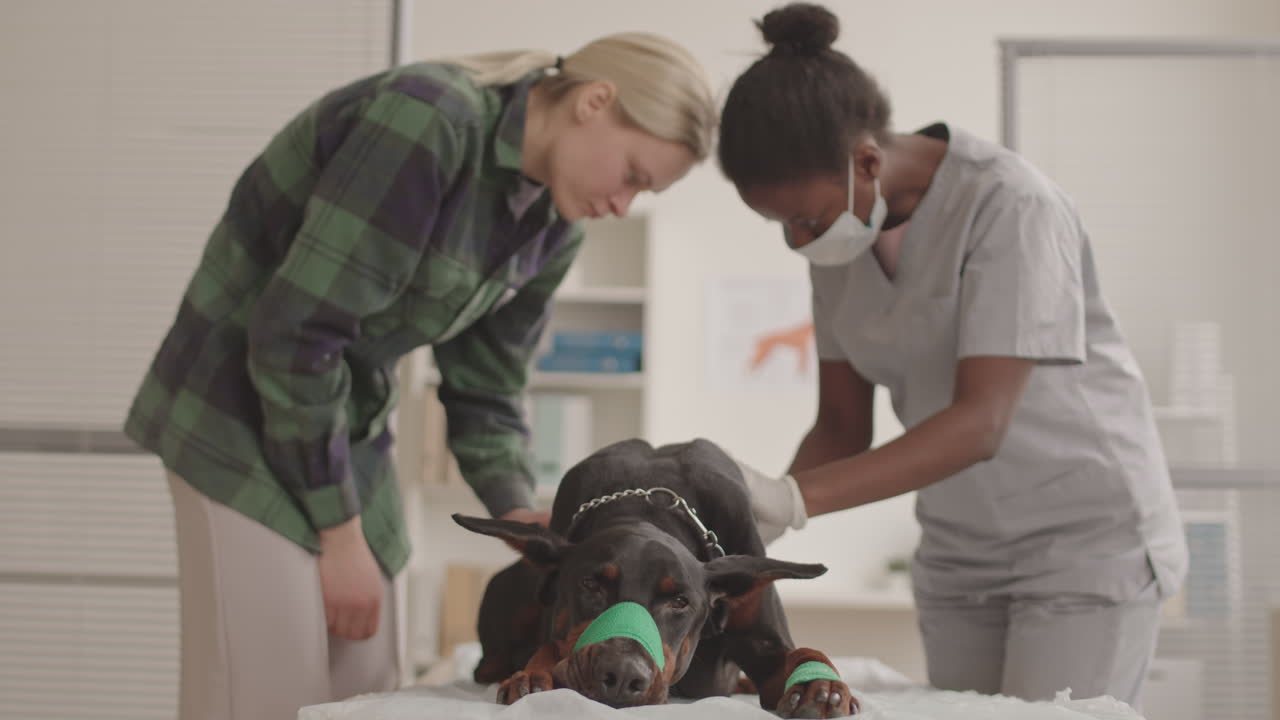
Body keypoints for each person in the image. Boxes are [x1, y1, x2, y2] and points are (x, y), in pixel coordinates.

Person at [124, 33, 716, 720]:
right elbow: (295, 337)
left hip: (342, 416)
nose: (625, 203)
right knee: (268, 690)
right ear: (594, 102)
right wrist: (340, 538)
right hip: (233, 409)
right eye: (635, 175)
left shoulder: (556, 222)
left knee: (370, 685)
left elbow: (487, 387)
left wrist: (517, 512)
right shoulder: (427, 122)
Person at [721, 2, 1187, 707]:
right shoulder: (837, 245)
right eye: (781, 225)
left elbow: (981, 423)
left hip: (1082, 541)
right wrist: (751, 527)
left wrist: (793, 500)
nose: (797, 241)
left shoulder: (1012, 206)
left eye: (804, 219)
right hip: (960, 547)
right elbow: (842, 428)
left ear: (867, 161)